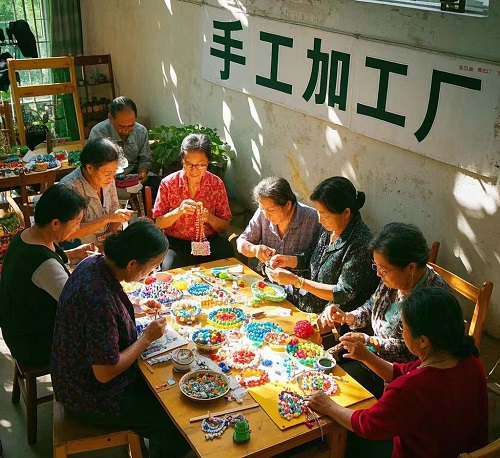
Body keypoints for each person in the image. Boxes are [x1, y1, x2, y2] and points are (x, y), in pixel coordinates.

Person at [51, 219, 191, 458]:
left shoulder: (94, 263)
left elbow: (107, 311)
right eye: (152, 267)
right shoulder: (99, 300)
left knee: (169, 389)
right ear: (133, 263)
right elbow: (105, 372)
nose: (152, 273)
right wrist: (146, 339)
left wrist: (134, 304)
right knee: (175, 424)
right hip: (88, 395)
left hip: (73, 377)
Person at [308, 287, 489, 458]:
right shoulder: (469, 360)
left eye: (403, 328)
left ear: (423, 341)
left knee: (347, 442)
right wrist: (366, 356)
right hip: (457, 448)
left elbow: (366, 424)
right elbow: (403, 371)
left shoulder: (410, 389)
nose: (402, 334)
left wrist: (328, 406)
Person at [320, 222, 449, 397]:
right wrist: (348, 317)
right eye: (377, 267)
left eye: (383, 270)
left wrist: (370, 341)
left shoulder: (432, 299)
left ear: (411, 268)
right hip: (372, 359)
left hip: (403, 377)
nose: (378, 274)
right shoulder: (395, 280)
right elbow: (372, 304)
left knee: (336, 389)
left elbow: (411, 350)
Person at [0, 184, 88, 366]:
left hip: (17, 330)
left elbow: (44, 268)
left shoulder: (26, 235)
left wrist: (73, 254)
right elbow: (78, 303)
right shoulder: (44, 264)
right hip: (34, 344)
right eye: (76, 222)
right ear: (55, 224)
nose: (78, 227)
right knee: (101, 336)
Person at [267, 176, 378, 316]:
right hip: (305, 305)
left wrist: (297, 281)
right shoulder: (330, 229)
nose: (320, 220)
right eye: (318, 213)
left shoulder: (361, 243)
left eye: (325, 215)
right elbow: (313, 257)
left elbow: (344, 292)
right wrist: (288, 260)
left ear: (346, 213)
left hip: (331, 318)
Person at [153, 133, 234, 269]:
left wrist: (209, 218)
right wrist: (178, 211)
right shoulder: (168, 183)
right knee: (171, 266)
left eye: (200, 165)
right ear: (182, 161)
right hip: (176, 243)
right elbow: (159, 223)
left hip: (207, 241)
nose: (194, 170)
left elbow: (224, 226)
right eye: (189, 164)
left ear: (207, 163)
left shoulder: (216, 184)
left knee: (226, 252)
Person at [236, 176, 321, 278]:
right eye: (262, 208)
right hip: (268, 280)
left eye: (271, 210)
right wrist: (254, 249)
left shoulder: (314, 219)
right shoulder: (262, 212)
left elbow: (320, 259)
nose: (266, 216)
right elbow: (241, 242)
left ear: (288, 205)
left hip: (300, 283)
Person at [60, 137, 133, 246]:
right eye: (107, 173)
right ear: (89, 168)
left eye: (114, 172)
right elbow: (68, 233)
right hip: (81, 248)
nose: (111, 178)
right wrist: (107, 218)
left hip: (105, 244)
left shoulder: (108, 179)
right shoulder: (69, 188)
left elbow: (114, 209)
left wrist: (118, 219)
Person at [89, 96, 161, 201]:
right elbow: (95, 165)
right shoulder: (98, 132)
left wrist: (142, 172)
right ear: (110, 118)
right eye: (121, 126)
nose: (126, 130)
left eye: (131, 126)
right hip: (108, 179)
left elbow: (145, 159)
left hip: (134, 177)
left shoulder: (141, 131)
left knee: (159, 186)